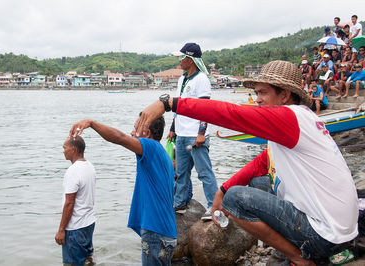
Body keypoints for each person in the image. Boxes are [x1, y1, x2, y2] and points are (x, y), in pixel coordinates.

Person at [134, 60, 358, 266]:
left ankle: (298, 257)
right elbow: (264, 161)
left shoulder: (289, 117)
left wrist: (170, 103)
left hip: (325, 236)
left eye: (263, 93)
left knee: (236, 199)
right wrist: (222, 188)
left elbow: (232, 114)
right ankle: (288, 248)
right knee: (259, 182)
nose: (257, 99)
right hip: (343, 230)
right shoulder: (304, 118)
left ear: (285, 95)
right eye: (256, 92)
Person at [69, 116, 177, 266]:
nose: (132, 133)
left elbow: (120, 138)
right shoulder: (162, 154)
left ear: (146, 132)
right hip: (165, 231)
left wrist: (91, 123)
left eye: (135, 128)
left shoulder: (150, 147)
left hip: (156, 232)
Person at [168, 42, 218, 218]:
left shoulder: (201, 79)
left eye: (181, 58)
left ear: (189, 59)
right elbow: (179, 106)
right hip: (182, 134)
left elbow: (206, 109)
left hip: (195, 136)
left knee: (204, 173)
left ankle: (214, 206)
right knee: (181, 173)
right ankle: (179, 203)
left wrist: (201, 134)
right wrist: (173, 129)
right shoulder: (183, 79)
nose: (179, 61)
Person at [55, 136, 97, 266]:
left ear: (73, 149)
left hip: (75, 228)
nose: (63, 151)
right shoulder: (89, 166)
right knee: (88, 259)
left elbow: (69, 203)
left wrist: (61, 230)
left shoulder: (73, 171)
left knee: (72, 263)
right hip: (88, 223)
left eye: (65, 148)